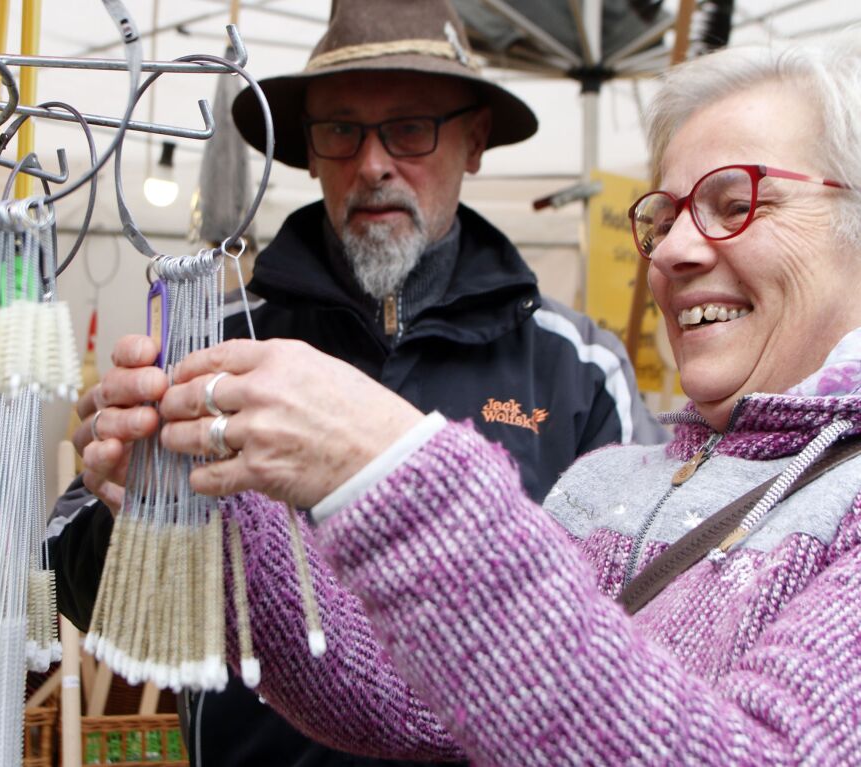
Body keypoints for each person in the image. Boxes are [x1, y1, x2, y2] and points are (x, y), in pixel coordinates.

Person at [85, 28, 861, 765]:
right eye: (663, 216)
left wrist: (387, 465)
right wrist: (212, 504)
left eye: (735, 204)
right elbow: (424, 704)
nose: (677, 251)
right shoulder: (609, 484)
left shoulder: (584, 365)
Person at [50, 0, 663, 764]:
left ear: (474, 141)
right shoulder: (217, 343)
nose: (372, 163)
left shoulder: (573, 367)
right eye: (341, 130)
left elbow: (654, 610)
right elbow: (80, 589)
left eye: (410, 128)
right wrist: (124, 500)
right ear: (309, 151)